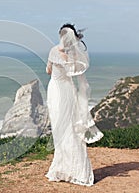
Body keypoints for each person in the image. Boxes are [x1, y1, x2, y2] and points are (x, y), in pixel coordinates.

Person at [45, 23, 104, 186]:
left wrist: (55, 68)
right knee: (70, 128)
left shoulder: (53, 51)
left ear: (60, 35)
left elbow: (48, 71)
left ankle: (62, 169)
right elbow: (78, 76)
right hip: (68, 92)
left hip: (56, 91)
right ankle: (76, 171)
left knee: (60, 129)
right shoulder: (74, 56)